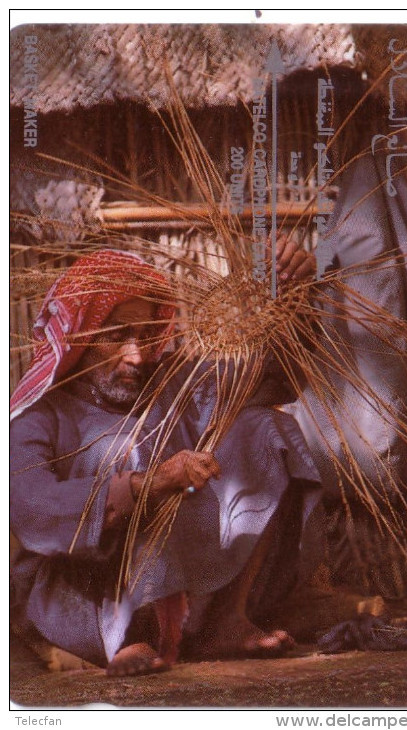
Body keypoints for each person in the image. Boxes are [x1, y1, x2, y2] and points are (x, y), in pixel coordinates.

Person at [10, 246, 323, 677]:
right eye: (117, 334)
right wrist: (147, 483)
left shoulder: (171, 381)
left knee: (266, 426)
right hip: (80, 600)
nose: (137, 355)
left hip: (193, 586)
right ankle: (125, 635)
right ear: (81, 336)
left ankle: (227, 618)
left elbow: (273, 379)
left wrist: (295, 295)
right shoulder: (39, 417)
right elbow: (31, 508)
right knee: (119, 450)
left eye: (147, 334)